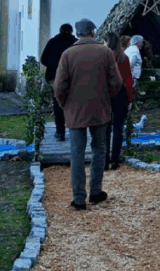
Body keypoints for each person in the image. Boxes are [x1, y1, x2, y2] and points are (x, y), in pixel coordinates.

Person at [53, 19, 123, 210]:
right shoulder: (105, 52)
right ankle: (96, 191)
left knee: (77, 153)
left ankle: (79, 198)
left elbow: (59, 86)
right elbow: (116, 82)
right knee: (99, 149)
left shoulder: (68, 54)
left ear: (77, 33)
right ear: (93, 32)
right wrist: (107, 98)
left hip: (75, 110)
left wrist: (65, 105)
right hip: (100, 108)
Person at [103, 32, 135, 170]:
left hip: (106, 95)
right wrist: (130, 99)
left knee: (105, 129)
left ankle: (104, 161)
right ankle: (115, 159)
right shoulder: (124, 58)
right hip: (121, 94)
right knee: (118, 128)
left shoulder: (103, 58)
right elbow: (128, 80)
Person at [41, 23, 77, 142]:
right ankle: (74, 131)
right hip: (72, 78)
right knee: (73, 104)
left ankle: (60, 131)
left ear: (60, 30)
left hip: (55, 77)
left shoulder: (52, 42)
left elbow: (43, 59)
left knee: (58, 104)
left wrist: (53, 66)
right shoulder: (75, 43)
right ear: (71, 31)